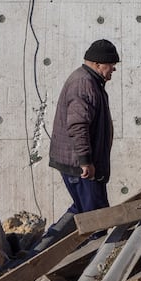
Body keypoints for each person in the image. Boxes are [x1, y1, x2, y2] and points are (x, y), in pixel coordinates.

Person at [49, 39, 120, 215]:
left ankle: (47, 242)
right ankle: (50, 242)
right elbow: (78, 125)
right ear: (97, 64)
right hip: (80, 166)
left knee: (82, 211)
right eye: (111, 64)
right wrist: (85, 161)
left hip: (81, 164)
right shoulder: (84, 83)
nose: (114, 68)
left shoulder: (91, 81)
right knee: (95, 218)